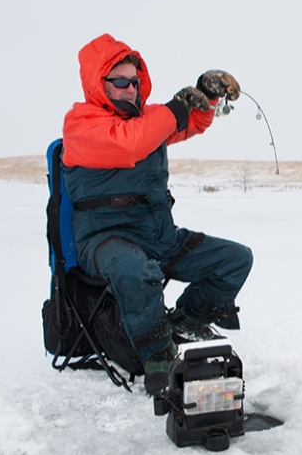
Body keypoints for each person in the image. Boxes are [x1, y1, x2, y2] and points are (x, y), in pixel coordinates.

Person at [61, 33, 253, 395]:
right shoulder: (80, 124)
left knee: (235, 260)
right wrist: (176, 108)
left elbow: (188, 122)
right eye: (120, 82)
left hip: (158, 237)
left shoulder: (147, 120)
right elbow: (128, 142)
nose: (131, 89)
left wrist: (205, 96)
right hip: (105, 240)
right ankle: (158, 357)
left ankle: (187, 320)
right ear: (98, 84)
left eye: (134, 81)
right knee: (137, 270)